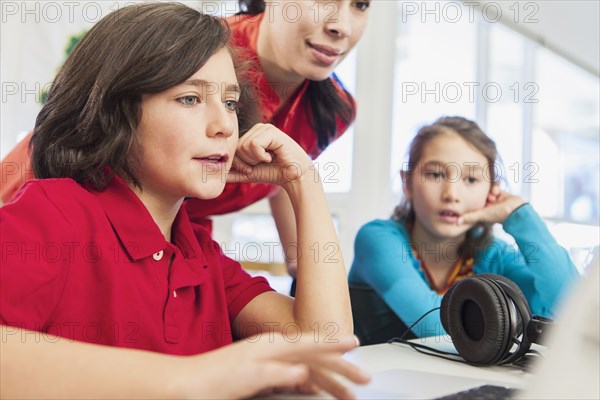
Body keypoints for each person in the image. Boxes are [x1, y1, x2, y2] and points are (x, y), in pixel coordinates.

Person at [0, 4, 370, 398]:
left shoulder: (204, 256)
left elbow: (323, 343)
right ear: (116, 113)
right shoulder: (52, 215)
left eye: (230, 103)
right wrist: (187, 378)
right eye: (190, 99)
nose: (225, 125)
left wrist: (305, 181)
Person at [348, 116, 578, 341]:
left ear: (491, 191)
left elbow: (569, 308)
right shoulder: (377, 239)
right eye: (435, 174)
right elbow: (433, 329)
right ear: (407, 183)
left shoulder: (494, 255)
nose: (451, 194)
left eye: (471, 180)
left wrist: (521, 217)